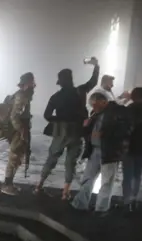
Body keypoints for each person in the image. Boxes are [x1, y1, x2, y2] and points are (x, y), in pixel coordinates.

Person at [35, 58, 100, 199]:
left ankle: (39, 185)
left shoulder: (55, 97)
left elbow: (47, 115)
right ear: (71, 79)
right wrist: (96, 66)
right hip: (77, 131)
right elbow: (93, 81)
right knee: (71, 162)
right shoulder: (80, 91)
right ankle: (66, 192)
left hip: (60, 131)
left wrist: (59, 121)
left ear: (60, 81)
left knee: (51, 158)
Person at [71, 92, 131, 215]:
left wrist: (105, 134)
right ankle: (80, 203)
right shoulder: (96, 113)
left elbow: (126, 130)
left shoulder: (118, 111)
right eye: (92, 106)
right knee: (88, 177)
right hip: (95, 150)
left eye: (95, 105)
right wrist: (86, 127)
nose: (93, 108)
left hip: (110, 151)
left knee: (106, 181)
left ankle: (101, 208)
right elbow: (88, 132)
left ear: (103, 101)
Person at [1, 72, 35, 195]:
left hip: (15, 131)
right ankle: (7, 185)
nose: (34, 85)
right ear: (26, 84)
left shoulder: (20, 95)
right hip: (17, 132)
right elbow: (14, 116)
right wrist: (22, 131)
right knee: (15, 157)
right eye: (32, 82)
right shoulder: (21, 96)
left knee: (16, 157)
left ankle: (9, 183)